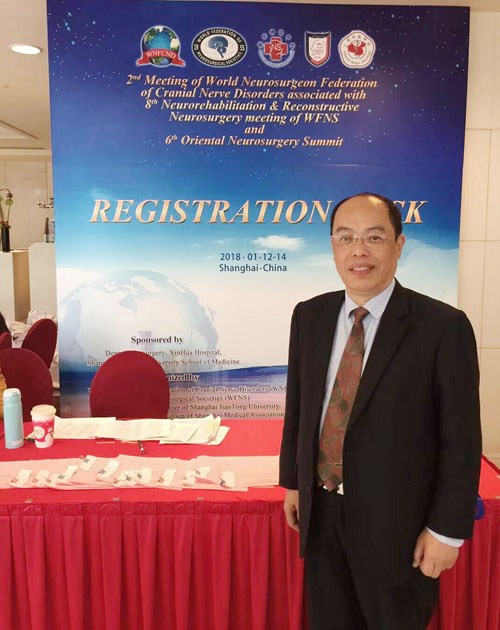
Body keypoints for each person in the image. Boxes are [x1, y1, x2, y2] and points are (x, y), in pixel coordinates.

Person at [279, 192, 481, 630]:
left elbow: (462, 441)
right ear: (333, 246)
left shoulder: (442, 327)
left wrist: (446, 531)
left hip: (399, 526)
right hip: (323, 516)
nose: (359, 251)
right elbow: (299, 409)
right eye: (345, 237)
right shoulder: (309, 316)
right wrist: (294, 482)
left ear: (398, 244)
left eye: (373, 237)